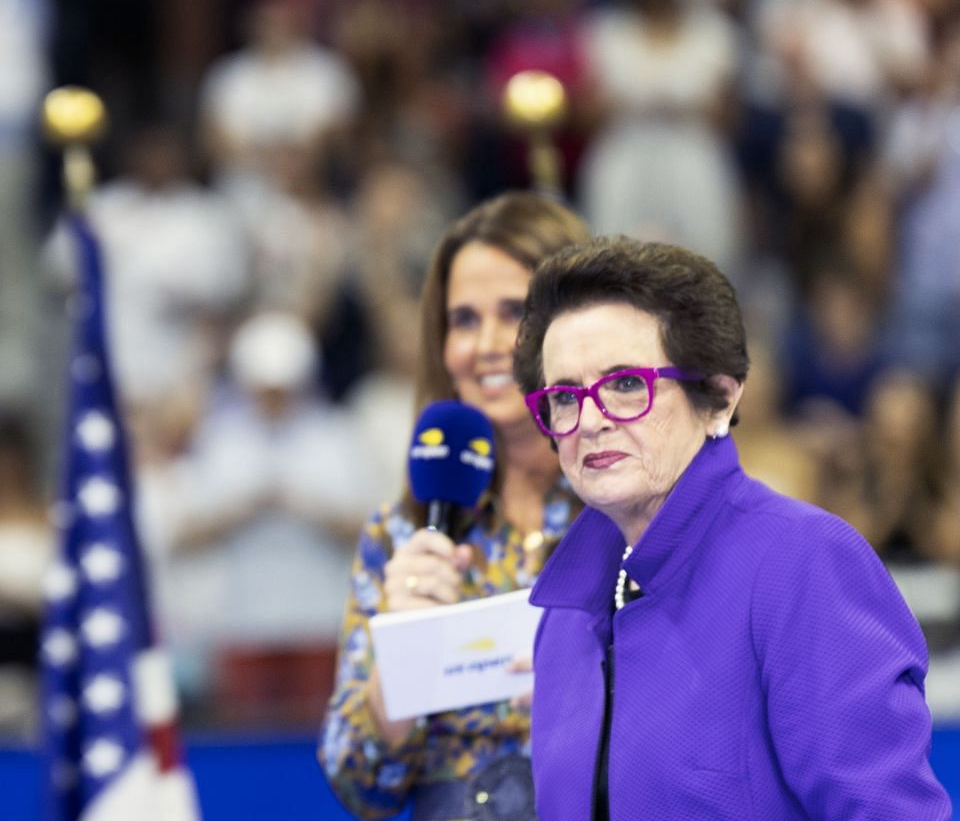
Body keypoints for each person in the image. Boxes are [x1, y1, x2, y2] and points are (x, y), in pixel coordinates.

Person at [517, 237, 949, 818]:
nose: (589, 420)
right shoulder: (563, 611)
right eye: (564, 395)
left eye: (625, 385)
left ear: (718, 398)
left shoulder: (804, 563)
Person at [319, 192, 589, 820]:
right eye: (463, 320)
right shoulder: (404, 531)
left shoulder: (629, 512)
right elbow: (360, 788)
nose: (488, 344)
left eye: (516, 312)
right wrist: (398, 672)